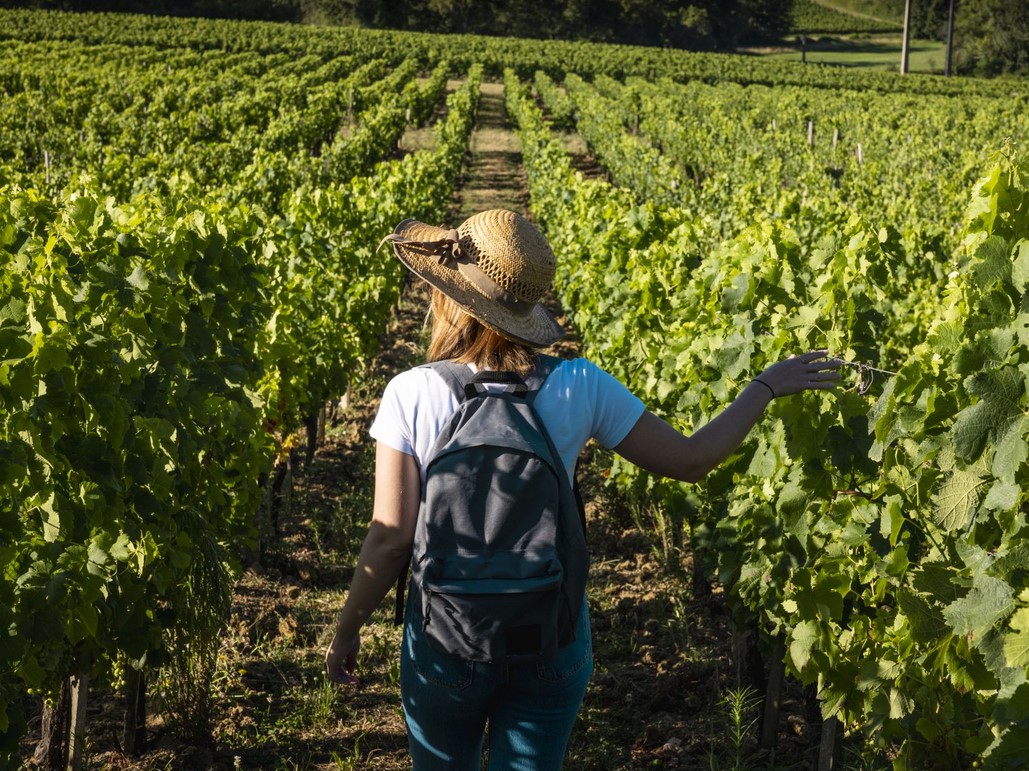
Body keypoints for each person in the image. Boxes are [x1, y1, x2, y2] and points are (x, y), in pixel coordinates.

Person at [325, 209, 841, 770]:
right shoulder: (579, 384)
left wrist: (349, 627)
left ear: (450, 297)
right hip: (551, 635)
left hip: (446, 637)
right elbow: (693, 459)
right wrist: (764, 386)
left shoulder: (411, 392)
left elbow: (391, 539)